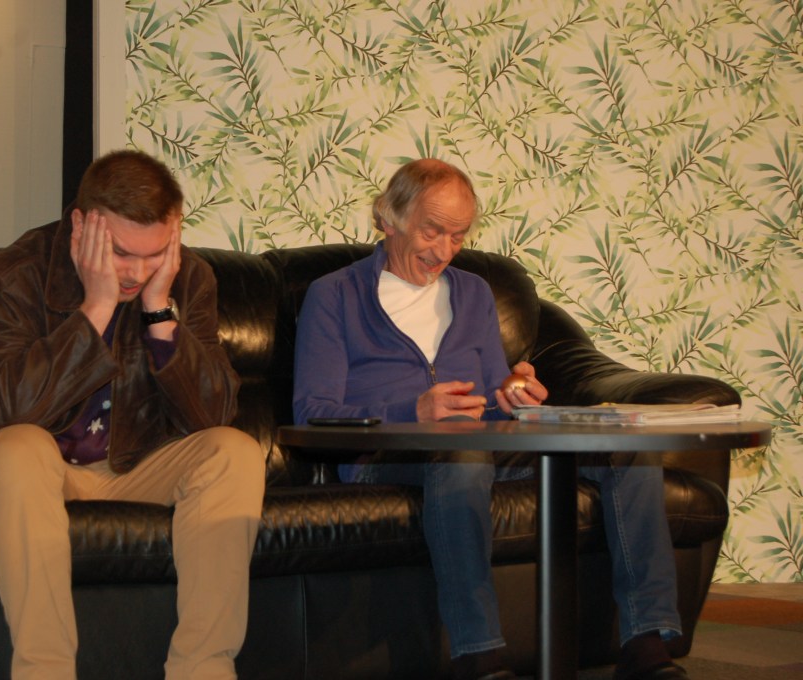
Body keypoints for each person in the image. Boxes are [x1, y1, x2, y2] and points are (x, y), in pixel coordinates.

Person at [292, 159, 690, 680]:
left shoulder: (474, 292)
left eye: (458, 236)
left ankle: (645, 641)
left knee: (625, 448)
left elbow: (491, 395)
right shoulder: (336, 295)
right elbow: (313, 414)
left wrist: (513, 393)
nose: (443, 251)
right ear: (389, 218)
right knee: (462, 454)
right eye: (431, 231)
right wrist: (412, 412)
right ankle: (478, 654)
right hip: (387, 456)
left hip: (479, 445)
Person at [0, 149, 266, 680]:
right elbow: (16, 409)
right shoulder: (10, 276)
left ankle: (202, 670)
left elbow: (214, 413)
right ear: (81, 225)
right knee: (20, 447)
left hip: (135, 465)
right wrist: (95, 308)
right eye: (120, 253)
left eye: (155, 254)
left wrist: (160, 312)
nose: (137, 273)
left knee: (234, 451)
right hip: (29, 464)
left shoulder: (190, 279)